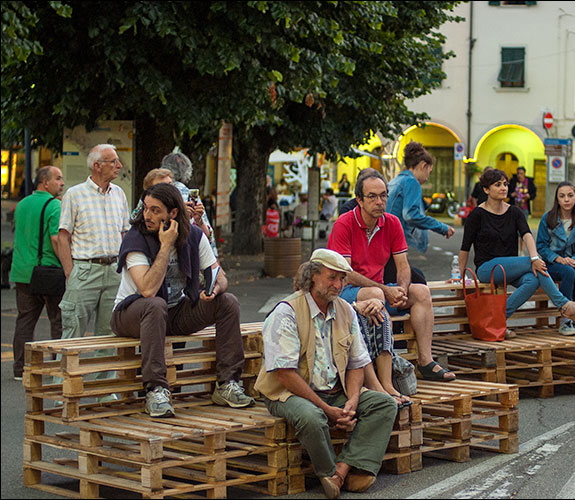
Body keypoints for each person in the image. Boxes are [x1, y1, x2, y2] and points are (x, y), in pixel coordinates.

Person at [256, 249, 398, 499]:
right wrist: (326, 408)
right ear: (312, 276)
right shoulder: (286, 311)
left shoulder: (345, 310)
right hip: (289, 393)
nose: (339, 285)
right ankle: (327, 471)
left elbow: (357, 362)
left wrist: (352, 401)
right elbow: (285, 375)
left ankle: (341, 472)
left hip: (335, 391)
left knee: (384, 404)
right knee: (312, 417)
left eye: (342, 279)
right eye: (332, 278)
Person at [111, 183, 253, 417]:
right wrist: (165, 246)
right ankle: (155, 389)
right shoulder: (136, 238)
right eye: (146, 209)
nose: (147, 215)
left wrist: (214, 289)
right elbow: (147, 289)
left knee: (228, 301)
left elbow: (221, 276)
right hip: (130, 313)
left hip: (172, 312)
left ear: (173, 213)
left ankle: (227, 384)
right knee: (155, 304)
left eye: (155, 210)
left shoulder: (194, 236)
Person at [328, 169, 456, 381]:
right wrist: (386, 291)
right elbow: (346, 274)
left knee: (421, 292)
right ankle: (389, 368)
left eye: (383, 195)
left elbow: (403, 266)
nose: (379, 201)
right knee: (376, 295)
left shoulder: (392, 222)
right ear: (359, 199)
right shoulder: (344, 223)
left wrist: (402, 291)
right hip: (345, 294)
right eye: (372, 196)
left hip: (377, 290)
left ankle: (426, 361)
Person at [458, 169, 575, 339]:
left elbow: (527, 235)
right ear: (486, 190)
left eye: (505, 184)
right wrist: (459, 276)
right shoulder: (477, 215)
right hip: (487, 268)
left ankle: (499, 319)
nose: (504, 188)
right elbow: (465, 247)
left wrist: (534, 257)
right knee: (532, 263)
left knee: (533, 278)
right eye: (498, 185)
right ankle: (565, 306)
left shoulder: (514, 212)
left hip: (510, 268)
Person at [56, 144, 131, 392]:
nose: (119, 166)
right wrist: (70, 272)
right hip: (84, 268)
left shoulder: (119, 193)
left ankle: (104, 392)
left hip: (113, 270)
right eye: (113, 161)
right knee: (73, 331)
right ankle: (62, 390)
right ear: (97, 165)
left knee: (109, 335)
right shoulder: (75, 194)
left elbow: (125, 233)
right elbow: (63, 236)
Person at [11, 166, 65, 381]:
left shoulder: (22, 204)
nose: (61, 183)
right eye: (58, 179)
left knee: (25, 320)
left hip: (22, 271)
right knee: (58, 321)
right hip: (48, 272)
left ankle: (20, 368)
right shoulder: (54, 206)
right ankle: (60, 367)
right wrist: (68, 266)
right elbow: (55, 239)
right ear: (45, 183)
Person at [536, 181, 575, 336]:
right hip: (551, 263)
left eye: (570, 195)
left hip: (571, 261)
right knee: (568, 272)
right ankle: (565, 322)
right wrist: (559, 259)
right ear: (557, 199)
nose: (566, 199)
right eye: (562, 196)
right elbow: (541, 246)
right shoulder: (548, 218)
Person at [386, 141, 455, 254]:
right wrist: (442, 228)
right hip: (402, 244)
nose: (427, 177)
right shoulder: (411, 182)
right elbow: (411, 215)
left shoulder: (395, 181)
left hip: (389, 242)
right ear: (423, 166)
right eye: (429, 171)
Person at [160, 152, 218, 257]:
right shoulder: (190, 195)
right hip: (188, 253)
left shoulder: (152, 192)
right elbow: (207, 233)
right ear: (187, 171)